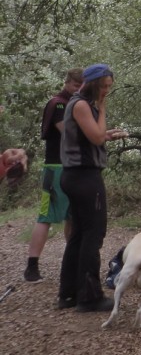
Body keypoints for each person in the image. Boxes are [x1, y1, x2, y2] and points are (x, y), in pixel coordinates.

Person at [57, 63, 128, 312]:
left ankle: (68, 294)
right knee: (93, 234)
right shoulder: (81, 104)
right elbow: (96, 138)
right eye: (105, 86)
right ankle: (89, 297)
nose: (107, 90)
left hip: (76, 176)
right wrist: (102, 109)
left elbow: (93, 136)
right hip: (84, 177)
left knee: (78, 234)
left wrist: (106, 134)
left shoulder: (81, 105)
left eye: (110, 87)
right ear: (95, 83)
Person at [24, 68, 84, 283]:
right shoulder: (58, 103)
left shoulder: (77, 104)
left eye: (82, 86)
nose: (79, 89)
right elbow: (69, 131)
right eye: (76, 85)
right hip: (55, 167)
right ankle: (32, 266)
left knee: (73, 217)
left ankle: (72, 261)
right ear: (67, 82)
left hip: (74, 167)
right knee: (46, 216)